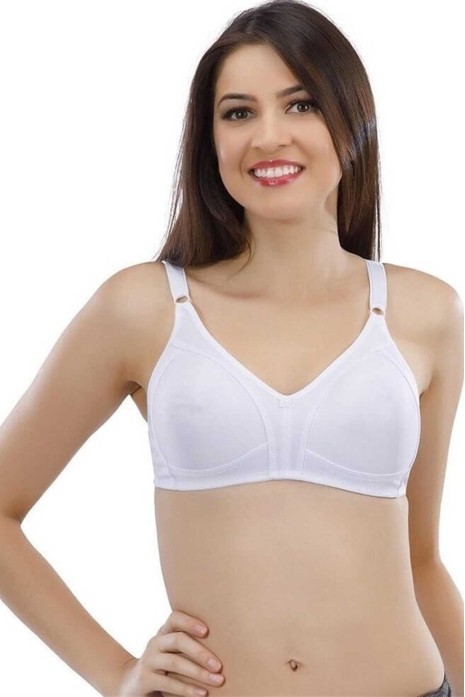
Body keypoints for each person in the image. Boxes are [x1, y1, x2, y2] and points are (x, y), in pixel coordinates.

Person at [0, 1, 463, 696]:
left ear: (351, 121)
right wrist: (116, 672)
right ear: (209, 139)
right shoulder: (145, 308)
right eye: (238, 112)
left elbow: (420, 558)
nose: (268, 136)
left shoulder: (426, 312)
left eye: (301, 104)